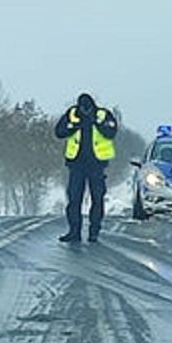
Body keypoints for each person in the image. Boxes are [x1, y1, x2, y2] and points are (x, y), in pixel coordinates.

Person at [54, 92, 118, 243]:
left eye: (87, 108)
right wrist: (74, 125)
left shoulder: (103, 115)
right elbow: (59, 132)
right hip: (76, 164)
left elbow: (111, 133)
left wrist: (97, 122)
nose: (85, 110)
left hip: (97, 165)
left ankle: (94, 231)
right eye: (82, 107)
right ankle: (74, 232)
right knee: (74, 198)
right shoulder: (72, 114)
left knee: (97, 198)